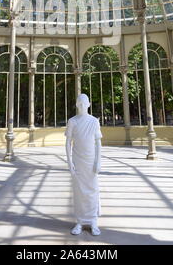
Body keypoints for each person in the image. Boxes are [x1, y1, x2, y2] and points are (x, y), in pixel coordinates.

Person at [65, 93, 102, 236]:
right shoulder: (72, 121)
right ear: (76, 105)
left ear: (89, 104)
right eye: (79, 103)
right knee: (79, 191)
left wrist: (98, 162)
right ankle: (79, 221)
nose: (81, 106)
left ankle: (93, 221)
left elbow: (98, 143)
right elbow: (68, 142)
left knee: (92, 190)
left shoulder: (94, 121)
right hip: (78, 161)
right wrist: (69, 162)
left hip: (91, 161)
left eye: (84, 103)